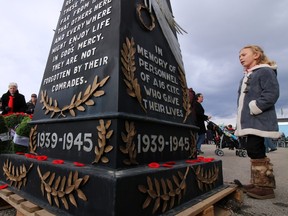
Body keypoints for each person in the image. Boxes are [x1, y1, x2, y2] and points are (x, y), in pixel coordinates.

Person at [234, 45, 281, 199]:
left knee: (255, 149)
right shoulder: (246, 76)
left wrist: (255, 107)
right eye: (239, 55)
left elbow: (272, 93)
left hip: (259, 119)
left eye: (243, 54)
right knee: (253, 150)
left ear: (256, 55)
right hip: (249, 121)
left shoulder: (265, 71)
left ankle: (265, 188)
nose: (240, 57)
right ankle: (257, 183)